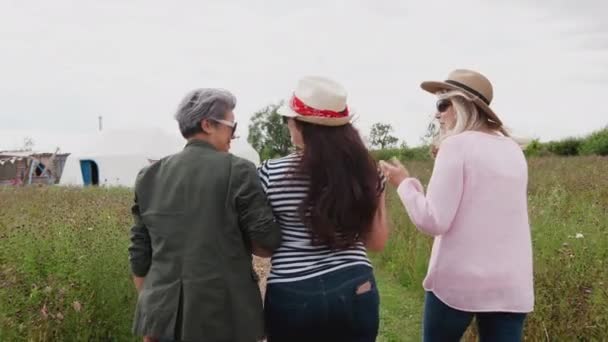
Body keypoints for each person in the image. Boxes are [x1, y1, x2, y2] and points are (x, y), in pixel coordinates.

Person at [381, 69, 534, 342]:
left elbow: (433, 220)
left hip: (457, 285)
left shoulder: (456, 146)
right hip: (511, 286)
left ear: (462, 104)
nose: (437, 113)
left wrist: (404, 183)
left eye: (442, 104)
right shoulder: (513, 150)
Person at [128, 88, 282, 342]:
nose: (234, 135)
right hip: (225, 319)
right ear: (208, 124)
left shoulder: (148, 176)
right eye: (232, 127)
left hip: (162, 320)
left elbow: (140, 253)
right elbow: (266, 244)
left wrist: (154, 309)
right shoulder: (238, 170)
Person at [258, 76, 389, 342]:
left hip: (293, 293)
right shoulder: (368, 172)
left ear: (299, 125)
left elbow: (263, 247)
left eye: (289, 120)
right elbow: (376, 242)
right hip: (356, 285)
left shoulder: (270, 173)